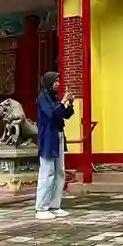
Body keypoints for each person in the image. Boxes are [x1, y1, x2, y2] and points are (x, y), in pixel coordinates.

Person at [35, 71, 74, 220]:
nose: (58, 83)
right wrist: (63, 101)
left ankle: (54, 206)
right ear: (48, 82)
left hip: (58, 136)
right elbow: (51, 114)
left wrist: (68, 103)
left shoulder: (54, 98)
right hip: (48, 138)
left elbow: (65, 115)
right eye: (55, 81)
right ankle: (41, 208)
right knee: (47, 172)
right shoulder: (43, 97)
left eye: (59, 80)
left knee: (60, 172)